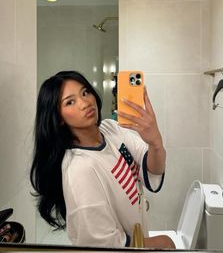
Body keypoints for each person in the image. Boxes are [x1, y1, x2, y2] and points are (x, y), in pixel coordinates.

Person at [30, 70, 175, 249]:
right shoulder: (80, 169)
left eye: (85, 92)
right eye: (70, 102)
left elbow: (153, 168)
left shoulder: (111, 129)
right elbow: (101, 244)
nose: (84, 103)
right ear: (59, 118)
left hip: (138, 239)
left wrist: (155, 143)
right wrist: (161, 242)